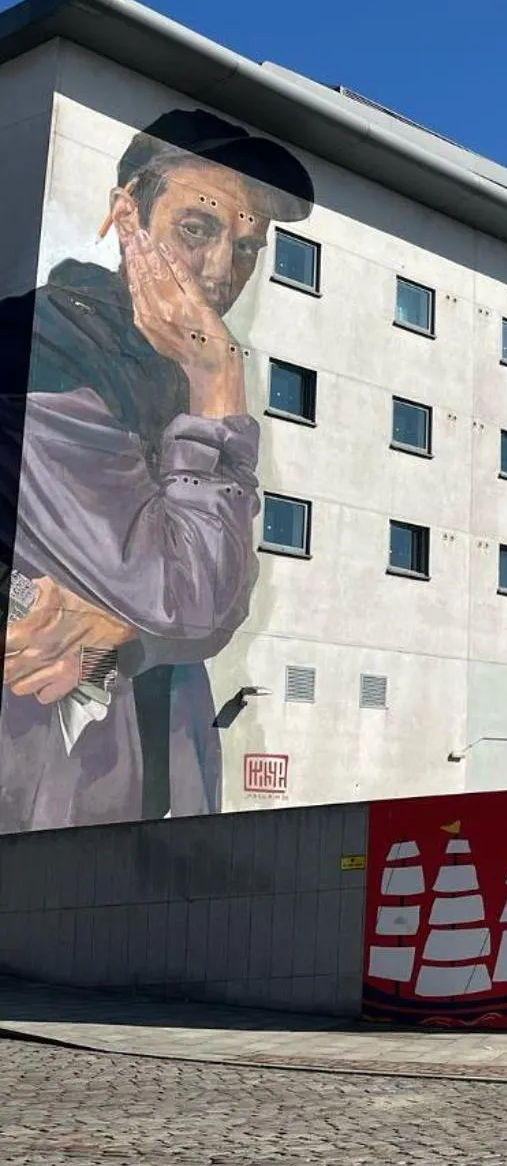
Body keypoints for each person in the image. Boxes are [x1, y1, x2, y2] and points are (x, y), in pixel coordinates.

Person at [0, 108, 315, 832]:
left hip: (142, 818)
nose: (219, 272)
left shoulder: (163, 369)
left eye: (246, 247)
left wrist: (125, 636)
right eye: (197, 229)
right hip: (43, 830)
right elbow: (193, 602)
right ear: (125, 214)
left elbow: (222, 605)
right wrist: (217, 386)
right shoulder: (46, 355)